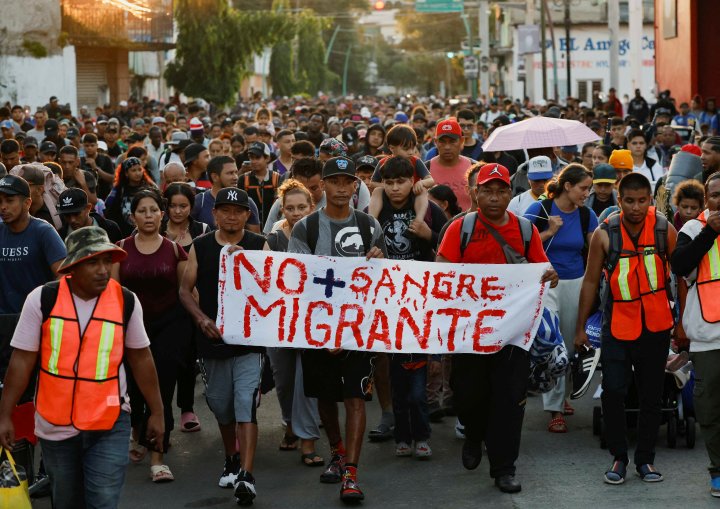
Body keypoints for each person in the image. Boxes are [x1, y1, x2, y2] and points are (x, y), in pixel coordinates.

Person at [0, 226, 164, 509]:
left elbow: (141, 357)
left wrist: (158, 412)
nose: (103, 270)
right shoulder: (41, 299)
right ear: (73, 266)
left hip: (110, 422)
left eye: (106, 261)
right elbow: (22, 360)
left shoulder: (125, 300)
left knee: (103, 500)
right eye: (93, 262)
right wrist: (5, 415)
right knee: (66, 502)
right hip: (55, 426)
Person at [437, 163, 557, 493]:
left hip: (513, 333)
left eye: (500, 190)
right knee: (469, 396)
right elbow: (441, 273)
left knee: (509, 400)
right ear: (475, 194)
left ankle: (504, 468)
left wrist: (551, 275)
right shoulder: (458, 229)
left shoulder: (525, 230)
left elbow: (541, 269)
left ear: (509, 193)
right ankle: (474, 436)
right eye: (486, 190)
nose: (493, 197)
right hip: (470, 332)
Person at [287, 156, 387, 503]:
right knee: (326, 398)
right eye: (335, 182)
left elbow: (385, 281)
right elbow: (296, 283)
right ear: (323, 186)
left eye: (349, 182)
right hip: (318, 331)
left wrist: (379, 260)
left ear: (356, 186)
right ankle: (337, 451)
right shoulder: (305, 228)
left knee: (355, 398)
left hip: (359, 329)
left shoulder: (369, 226)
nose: (342, 188)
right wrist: (325, 332)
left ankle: (351, 473)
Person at [575, 173, 676, 485]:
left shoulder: (664, 229)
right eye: (629, 201)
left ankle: (646, 461)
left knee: (651, 396)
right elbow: (591, 281)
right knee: (614, 392)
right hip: (617, 324)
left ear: (650, 200)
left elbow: (681, 277)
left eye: (642, 201)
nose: (635, 207)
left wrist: (683, 324)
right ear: (619, 201)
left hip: (657, 325)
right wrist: (580, 328)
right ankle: (619, 457)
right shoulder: (604, 234)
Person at [179, 187, 267, 506]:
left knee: (245, 402)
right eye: (225, 210)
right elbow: (185, 291)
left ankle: (246, 473)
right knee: (221, 405)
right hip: (212, 340)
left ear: (248, 215)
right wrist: (202, 319)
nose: (231, 215)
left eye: (238, 210)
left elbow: (273, 289)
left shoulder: (259, 245)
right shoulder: (200, 247)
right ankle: (231, 456)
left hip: (248, 341)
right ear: (214, 214)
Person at [110, 189, 190, 483]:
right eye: (141, 211)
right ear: (132, 216)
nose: (148, 216)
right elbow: (113, 294)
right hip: (130, 327)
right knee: (131, 392)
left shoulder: (173, 250)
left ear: (162, 214)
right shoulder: (119, 249)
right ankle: (137, 431)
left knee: (163, 391)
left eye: (153, 210)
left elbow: (186, 292)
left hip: (169, 326)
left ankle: (158, 457)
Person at [375, 156, 447, 459]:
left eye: (401, 181)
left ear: (412, 181)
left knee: (418, 377)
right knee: (396, 374)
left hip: (421, 301)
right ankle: (402, 435)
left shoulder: (430, 210)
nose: (395, 188)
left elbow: (447, 244)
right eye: (389, 182)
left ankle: (421, 434)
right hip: (388, 301)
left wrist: (428, 234)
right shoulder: (378, 209)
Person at [524, 164, 598, 433]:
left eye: (589, 189)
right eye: (583, 188)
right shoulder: (540, 210)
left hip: (576, 283)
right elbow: (521, 246)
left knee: (569, 343)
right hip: (545, 283)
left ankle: (561, 396)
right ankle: (554, 409)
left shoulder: (586, 215)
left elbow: (595, 248)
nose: (587, 193)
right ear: (567, 186)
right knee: (552, 342)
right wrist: (549, 232)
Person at [264, 179, 324, 465]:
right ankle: (290, 423)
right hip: (280, 320)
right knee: (284, 379)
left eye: (302, 207)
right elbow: (262, 272)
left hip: (312, 319)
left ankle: (307, 439)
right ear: (282, 210)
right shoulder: (274, 238)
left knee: (307, 379)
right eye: (290, 208)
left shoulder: (322, 234)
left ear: (311, 207)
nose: (296, 212)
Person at [671, 172, 720, 497]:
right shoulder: (692, 229)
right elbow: (680, 265)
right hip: (707, 334)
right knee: (709, 407)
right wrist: (710, 232)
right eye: (715, 195)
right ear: (706, 200)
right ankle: (717, 469)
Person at [161, 183, 209, 433]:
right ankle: (162, 410)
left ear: (192, 207)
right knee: (165, 359)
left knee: (188, 358)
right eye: (173, 206)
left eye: (183, 206)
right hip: (163, 303)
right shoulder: (156, 230)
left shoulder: (202, 230)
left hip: (193, 301)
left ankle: (187, 409)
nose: (178, 211)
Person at [191, 155, 262, 232]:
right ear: (215, 177)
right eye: (230, 173)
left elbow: (256, 239)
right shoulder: (199, 202)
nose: (235, 177)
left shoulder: (247, 202)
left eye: (236, 172)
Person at [427, 118, 474, 211]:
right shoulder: (425, 169)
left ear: (461, 141)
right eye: (442, 141)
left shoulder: (474, 168)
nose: (447, 147)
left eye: (452, 141)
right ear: (435, 142)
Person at [104, 157, 156, 236]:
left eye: (139, 169)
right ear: (126, 173)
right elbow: (108, 209)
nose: (138, 173)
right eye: (133, 170)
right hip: (124, 233)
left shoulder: (150, 188)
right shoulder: (119, 190)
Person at [57, 187, 122, 242]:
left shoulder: (110, 228)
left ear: (88, 208)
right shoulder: (60, 235)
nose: (72, 220)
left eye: (76, 214)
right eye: (67, 215)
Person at [238, 142, 280, 226]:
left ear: (267, 158)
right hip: (250, 227)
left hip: (273, 226)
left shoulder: (277, 178)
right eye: (251, 158)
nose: (253, 161)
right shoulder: (243, 179)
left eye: (257, 158)